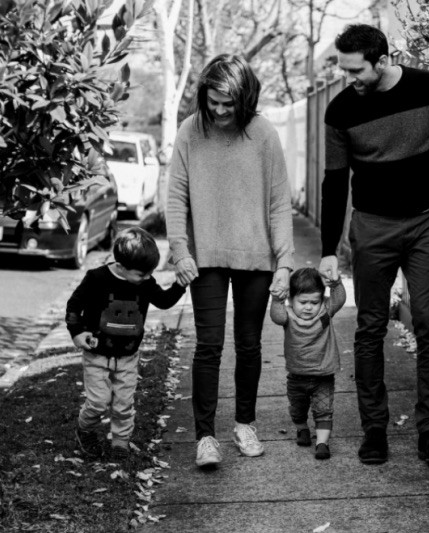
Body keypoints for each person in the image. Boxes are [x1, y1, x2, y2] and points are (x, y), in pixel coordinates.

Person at [319, 24, 429, 468]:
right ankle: (374, 430)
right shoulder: (340, 111)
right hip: (372, 227)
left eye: (355, 70)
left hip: (427, 222)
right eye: (344, 69)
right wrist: (328, 248)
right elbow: (334, 182)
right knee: (369, 327)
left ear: (382, 60)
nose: (348, 78)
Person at [167, 54, 295, 469]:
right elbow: (176, 196)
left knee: (249, 344)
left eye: (229, 103)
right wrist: (180, 250)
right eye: (213, 102)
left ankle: (245, 424)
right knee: (208, 346)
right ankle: (205, 437)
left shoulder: (263, 134)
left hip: (256, 257)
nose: (220, 111)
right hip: (205, 257)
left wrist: (284, 263)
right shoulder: (190, 131)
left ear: (245, 98)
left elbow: (279, 203)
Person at [66, 227, 186, 461]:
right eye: (141, 274)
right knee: (98, 402)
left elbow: (163, 301)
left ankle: (120, 443)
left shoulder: (145, 282)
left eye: (150, 273)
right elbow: (74, 305)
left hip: (128, 356)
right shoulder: (97, 279)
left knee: (123, 403)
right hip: (96, 354)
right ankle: (85, 429)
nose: (147, 278)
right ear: (121, 266)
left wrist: (180, 285)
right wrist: (76, 332)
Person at [270, 267, 346, 460]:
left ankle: (322, 443)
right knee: (297, 409)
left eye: (314, 302)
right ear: (290, 299)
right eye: (303, 302)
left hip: (323, 375)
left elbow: (339, 299)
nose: (309, 307)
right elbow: (277, 317)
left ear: (321, 299)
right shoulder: (288, 315)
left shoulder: (325, 311)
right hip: (297, 376)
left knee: (324, 410)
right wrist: (277, 299)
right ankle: (302, 428)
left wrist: (336, 283)